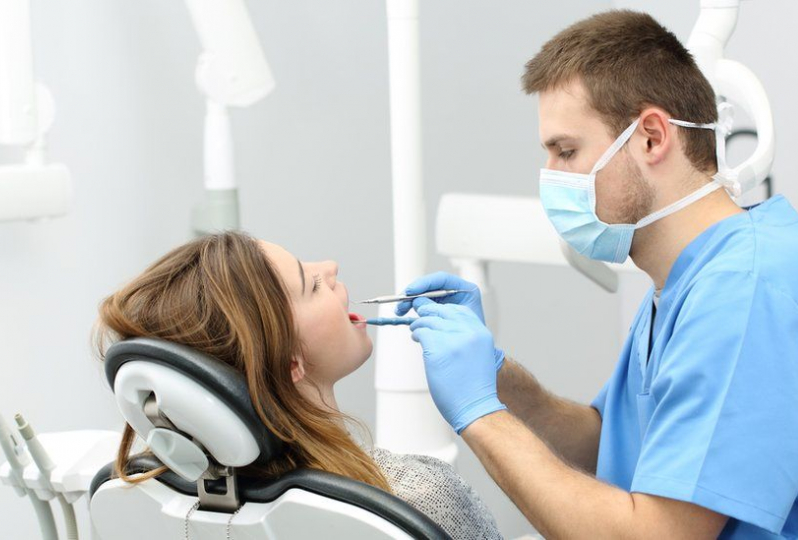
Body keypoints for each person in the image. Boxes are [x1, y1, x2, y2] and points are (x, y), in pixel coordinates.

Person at [396, 10, 798, 539]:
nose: (551, 180)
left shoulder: (743, 289)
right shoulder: (683, 280)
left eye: (567, 151)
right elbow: (607, 441)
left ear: (652, 138)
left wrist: (479, 415)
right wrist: (494, 374)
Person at [94, 231, 502, 540]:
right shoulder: (418, 498)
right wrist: (485, 409)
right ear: (291, 362)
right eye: (312, 284)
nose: (331, 266)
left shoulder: (149, 499)